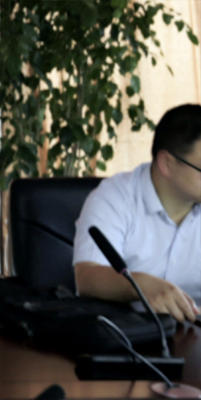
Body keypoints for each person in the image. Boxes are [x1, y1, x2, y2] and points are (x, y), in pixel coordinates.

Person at [74, 104, 201, 323]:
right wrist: (141, 285)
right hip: (125, 333)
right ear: (167, 163)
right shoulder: (116, 198)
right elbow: (88, 277)